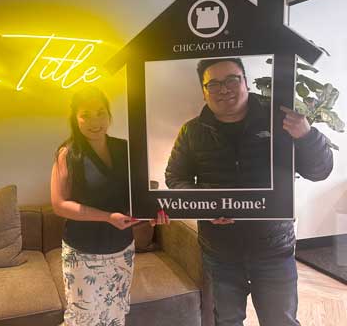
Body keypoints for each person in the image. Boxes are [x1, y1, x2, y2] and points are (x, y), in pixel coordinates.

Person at [165, 58, 333, 326]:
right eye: (213, 84)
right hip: (220, 251)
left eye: (231, 80)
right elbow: (175, 178)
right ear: (204, 91)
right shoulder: (191, 131)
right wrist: (206, 206)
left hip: (273, 247)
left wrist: (307, 136)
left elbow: (320, 171)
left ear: (245, 81)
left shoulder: (280, 121)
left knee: (281, 321)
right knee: (227, 321)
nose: (224, 89)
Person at [51, 85, 167, 326]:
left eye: (100, 113)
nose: (95, 121)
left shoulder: (125, 149)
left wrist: (152, 212)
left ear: (109, 114)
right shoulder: (68, 154)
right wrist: (106, 216)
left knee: (115, 312)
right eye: (86, 115)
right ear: (75, 118)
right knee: (83, 318)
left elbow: (139, 192)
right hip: (82, 251)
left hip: (121, 248)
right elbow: (60, 205)